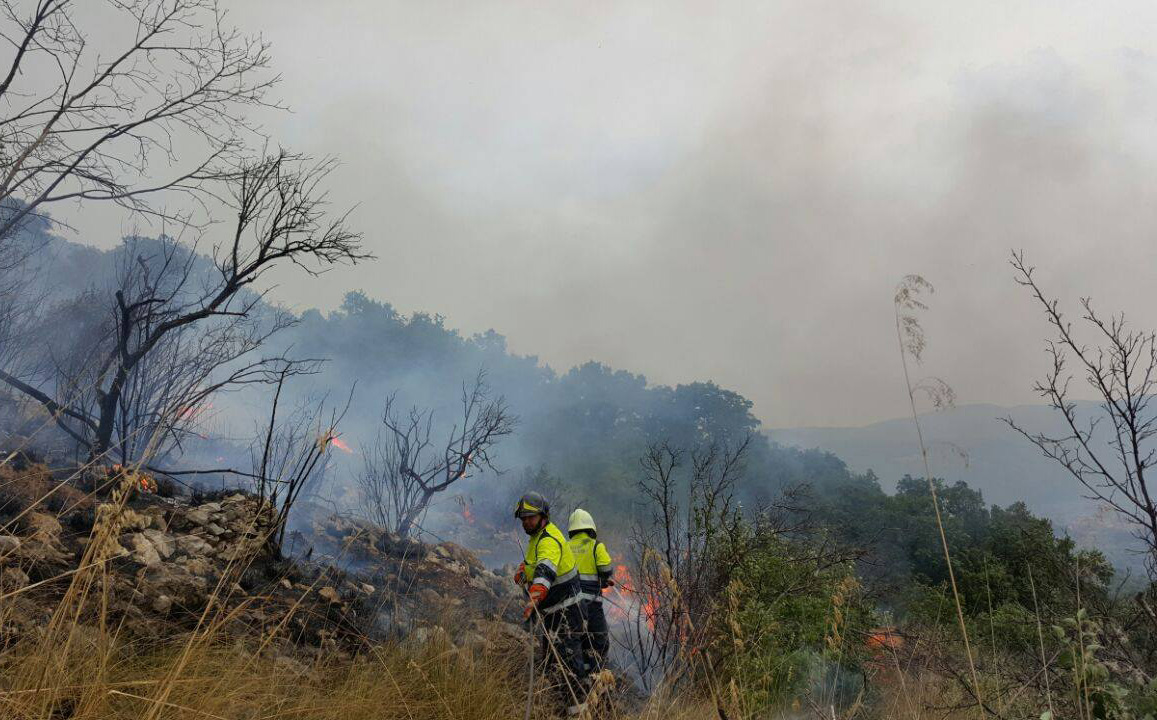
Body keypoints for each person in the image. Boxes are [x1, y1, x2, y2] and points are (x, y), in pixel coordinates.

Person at [514, 492, 588, 716]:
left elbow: (545, 569)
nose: (526, 521)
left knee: (569, 667)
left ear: (543, 516)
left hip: (566, 614)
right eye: (523, 518)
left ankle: (578, 712)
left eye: (531, 517)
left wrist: (534, 595)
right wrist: (524, 569)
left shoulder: (548, 540)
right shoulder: (538, 537)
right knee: (552, 663)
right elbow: (536, 563)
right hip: (555, 614)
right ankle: (561, 707)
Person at [567, 508, 614, 673]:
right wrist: (603, 578)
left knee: (576, 642)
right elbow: (606, 568)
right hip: (592, 606)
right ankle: (596, 680)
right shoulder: (596, 546)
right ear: (590, 528)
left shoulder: (564, 547)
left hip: (570, 606)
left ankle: (579, 679)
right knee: (598, 642)